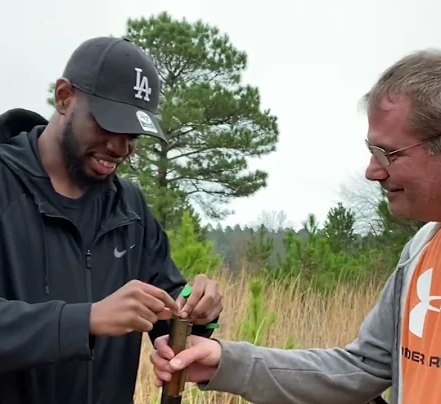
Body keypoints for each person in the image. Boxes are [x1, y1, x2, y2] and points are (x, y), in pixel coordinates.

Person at [0, 36, 224, 404]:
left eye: (132, 135)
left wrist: (198, 311)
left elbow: (171, 313)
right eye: (107, 124)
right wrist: (82, 321)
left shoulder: (129, 207)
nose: (120, 148)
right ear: (64, 96)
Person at [149, 49, 441, 404]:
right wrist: (224, 362)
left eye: (388, 154)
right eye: (371, 151)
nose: (372, 171)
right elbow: (361, 369)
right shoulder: (421, 252)